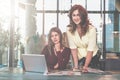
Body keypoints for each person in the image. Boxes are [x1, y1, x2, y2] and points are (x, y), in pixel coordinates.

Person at [67, 4, 100, 72]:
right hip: (80, 57)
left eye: (78, 15)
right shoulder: (69, 30)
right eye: (74, 15)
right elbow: (73, 49)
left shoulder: (91, 29)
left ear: (83, 16)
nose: (76, 18)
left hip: (92, 57)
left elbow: (90, 50)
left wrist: (85, 67)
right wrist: (76, 66)